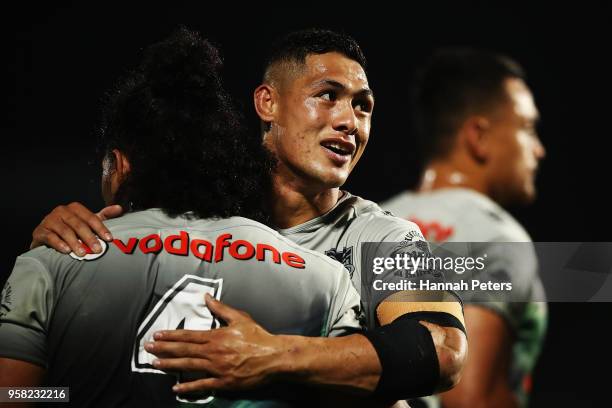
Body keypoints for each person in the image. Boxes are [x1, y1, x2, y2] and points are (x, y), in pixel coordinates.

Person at [28, 29, 468, 402]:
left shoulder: (385, 237)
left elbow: (443, 348)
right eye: (328, 96)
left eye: (363, 106)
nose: (349, 121)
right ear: (267, 103)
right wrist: (62, 243)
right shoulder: (203, 213)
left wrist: (274, 356)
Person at [381, 48, 547, 407]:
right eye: (528, 128)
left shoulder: (369, 222)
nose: (538, 150)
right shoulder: (498, 238)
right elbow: (469, 398)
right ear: (479, 137)